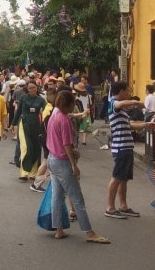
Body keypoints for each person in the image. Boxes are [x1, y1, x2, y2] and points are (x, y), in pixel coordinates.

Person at [46, 90, 110, 243]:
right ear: (69, 104)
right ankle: (89, 233)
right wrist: (74, 164)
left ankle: (59, 230)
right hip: (62, 161)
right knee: (77, 199)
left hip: (51, 158)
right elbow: (67, 144)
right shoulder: (64, 120)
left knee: (57, 196)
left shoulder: (55, 113)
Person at [105, 81, 155, 219]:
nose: (129, 93)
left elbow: (129, 125)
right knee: (117, 177)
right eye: (127, 91)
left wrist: (146, 124)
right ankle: (110, 208)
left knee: (124, 179)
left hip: (127, 147)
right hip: (121, 147)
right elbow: (121, 104)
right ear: (121, 91)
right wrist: (136, 103)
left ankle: (123, 206)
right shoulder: (113, 104)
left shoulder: (121, 110)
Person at [10, 81, 46, 181]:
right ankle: (24, 173)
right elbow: (18, 112)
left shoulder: (41, 100)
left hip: (36, 126)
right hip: (24, 124)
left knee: (35, 148)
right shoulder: (23, 98)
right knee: (25, 147)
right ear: (27, 89)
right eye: (30, 88)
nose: (32, 90)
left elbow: (47, 111)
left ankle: (33, 173)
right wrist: (13, 124)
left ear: (37, 88)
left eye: (34, 88)